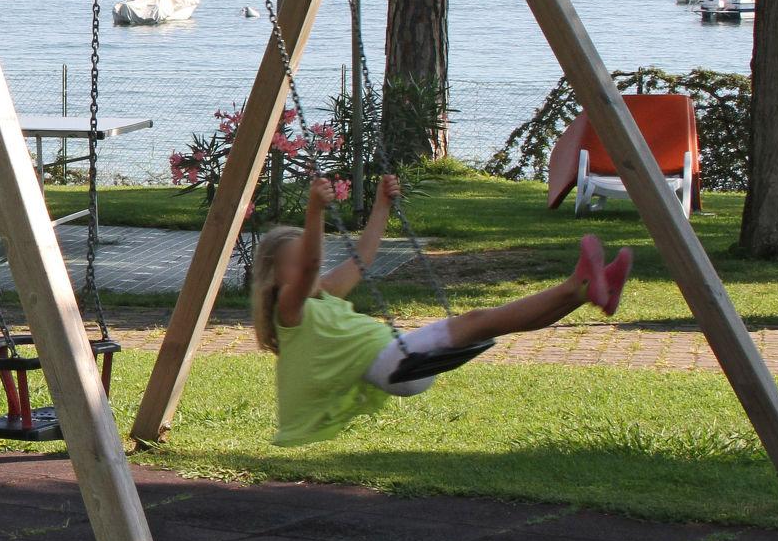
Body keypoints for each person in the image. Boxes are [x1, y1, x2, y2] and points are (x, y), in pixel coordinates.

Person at [251, 174, 632, 446]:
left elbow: (363, 255)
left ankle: (584, 291)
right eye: (295, 261)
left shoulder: (325, 292)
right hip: (394, 365)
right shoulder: (289, 309)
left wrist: (382, 205)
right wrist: (315, 212)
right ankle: (576, 285)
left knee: (485, 325)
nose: (306, 266)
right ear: (275, 273)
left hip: (401, 359)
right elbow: (312, 265)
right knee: (476, 321)